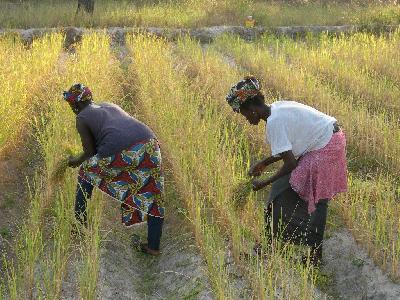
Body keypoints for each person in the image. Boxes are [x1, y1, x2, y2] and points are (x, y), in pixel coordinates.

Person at [226, 76, 347, 266]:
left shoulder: (274, 122)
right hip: (325, 140)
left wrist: (264, 182)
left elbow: (290, 164)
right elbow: (288, 147)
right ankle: (272, 243)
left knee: (309, 197)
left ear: (252, 110)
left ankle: (314, 256)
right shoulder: (275, 110)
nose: (246, 119)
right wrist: (264, 163)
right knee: (281, 191)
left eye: (244, 114)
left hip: (327, 147)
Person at [63, 83, 164, 256]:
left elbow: (89, 153)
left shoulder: (82, 117)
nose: (71, 107)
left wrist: (73, 161)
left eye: (71, 104)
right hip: (150, 144)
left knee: (85, 172)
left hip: (125, 151)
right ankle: (153, 246)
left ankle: (79, 226)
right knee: (153, 191)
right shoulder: (108, 105)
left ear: (76, 104)